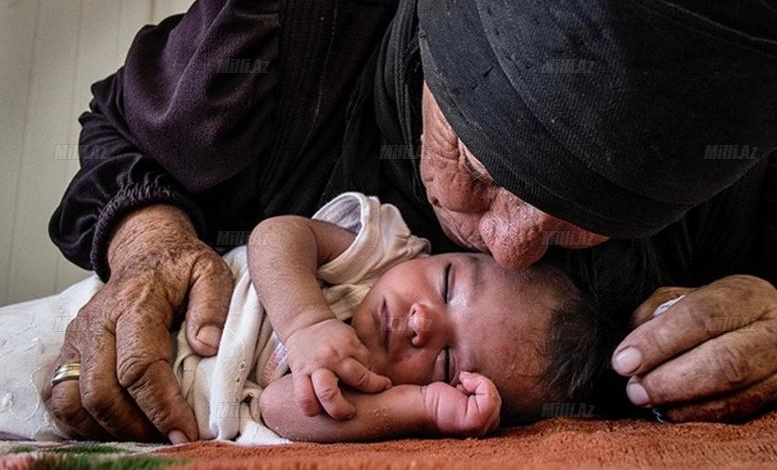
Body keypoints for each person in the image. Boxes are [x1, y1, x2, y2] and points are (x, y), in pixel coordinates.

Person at [45, 0, 777, 442]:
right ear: (429, 64)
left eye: (580, 222)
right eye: (476, 169)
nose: (507, 247)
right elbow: (120, 132)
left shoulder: (734, 144)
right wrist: (150, 241)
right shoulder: (292, 27)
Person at [1, 193, 614, 442]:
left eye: (449, 361)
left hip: (133, 421)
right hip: (107, 327)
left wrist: (424, 410)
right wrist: (304, 320)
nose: (424, 322)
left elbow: (277, 409)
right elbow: (276, 235)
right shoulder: (382, 251)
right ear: (448, 251)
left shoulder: (383, 395)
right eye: (449, 285)